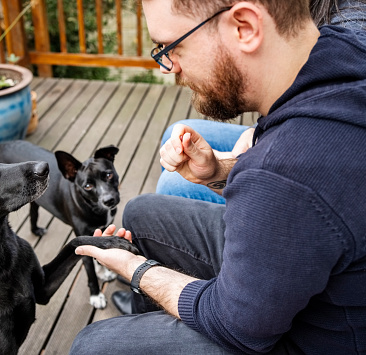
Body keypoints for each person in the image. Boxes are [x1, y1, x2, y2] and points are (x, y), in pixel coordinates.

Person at [70, 0, 366, 354]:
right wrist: (219, 171)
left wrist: (138, 271)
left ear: (244, 26)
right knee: (141, 214)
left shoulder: (285, 169)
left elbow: (237, 326)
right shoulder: (338, 50)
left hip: (315, 337)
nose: (168, 66)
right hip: (310, 268)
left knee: (92, 345)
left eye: (170, 46)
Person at [156, 0, 366, 204]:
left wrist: (250, 153)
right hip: (282, 133)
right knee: (177, 136)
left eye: (174, 47)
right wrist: (255, 133)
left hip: (315, 156)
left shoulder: (351, 27)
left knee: (171, 186)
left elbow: (312, 146)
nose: (166, 68)